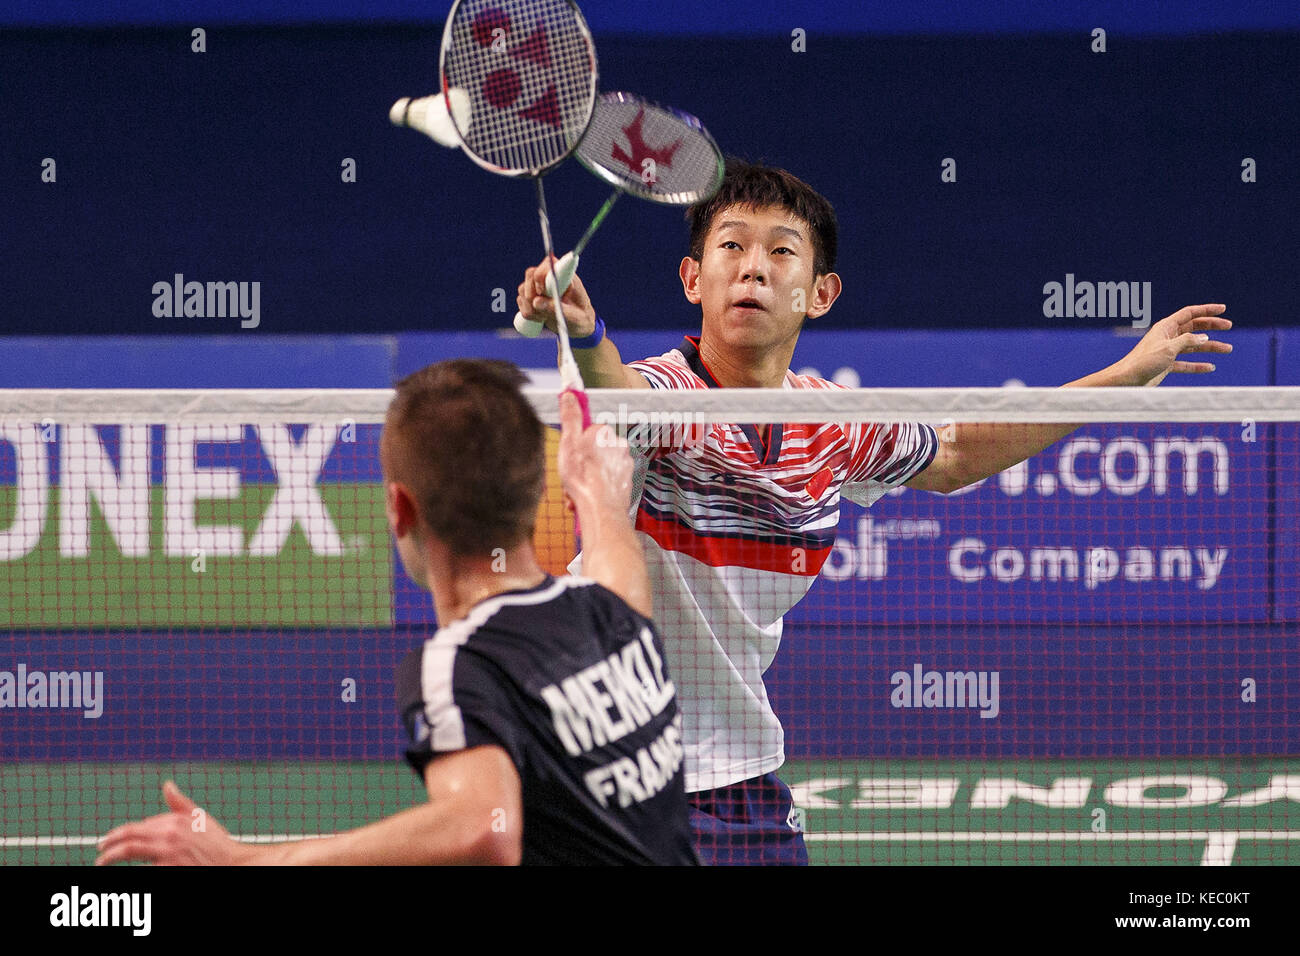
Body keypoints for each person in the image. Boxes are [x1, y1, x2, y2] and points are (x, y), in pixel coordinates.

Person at [515, 159, 1233, 865]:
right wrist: (581, 332)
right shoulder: (667, 395)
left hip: (737, 774)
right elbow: (617, 394)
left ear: (820, 293)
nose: (754, 268)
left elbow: (954, 456)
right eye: (731, 245)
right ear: (692, 279)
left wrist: (1125, 377)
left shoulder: (832, 420)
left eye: (781, 251)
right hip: (607, 765)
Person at [96, 359, 699, 866]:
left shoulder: (458, 665)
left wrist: (247, 860)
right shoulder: (611, 614)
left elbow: (485, 828)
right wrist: (595, 493)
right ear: (538, 494)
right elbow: (617, 560)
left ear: (399, 508)